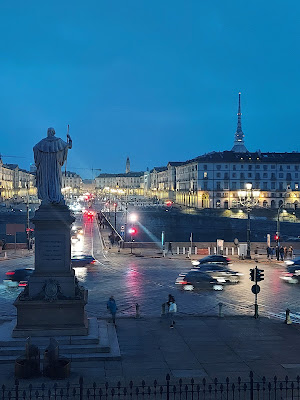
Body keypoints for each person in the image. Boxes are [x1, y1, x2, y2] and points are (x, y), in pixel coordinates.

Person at [33, 127, 72, 204]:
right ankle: (55, 196)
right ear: (54, 132)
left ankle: (47, 197)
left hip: (45, 166)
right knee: (55, 179)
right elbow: (69, 146)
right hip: (55, 166)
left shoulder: (43, 142)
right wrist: (70, 138)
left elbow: (35, 148)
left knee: (46, 180)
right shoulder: (58, 141)